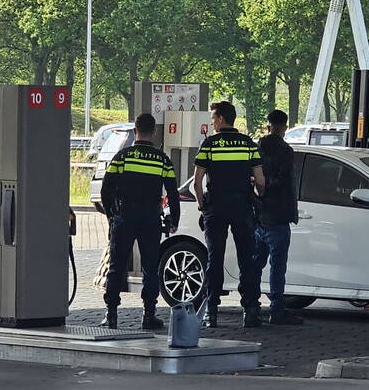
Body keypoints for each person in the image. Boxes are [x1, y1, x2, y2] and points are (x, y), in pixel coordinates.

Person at [100, 113, 180, 330]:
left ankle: (111, 314)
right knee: (150, 267)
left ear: (135, 131)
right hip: (150, 219)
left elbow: (106, 189)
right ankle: (148, 315)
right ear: (154, 132)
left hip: (124, 216)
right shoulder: (162, 160)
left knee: (116, 265)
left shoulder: (122, 157)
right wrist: (174, 219)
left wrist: (111, 214)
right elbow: (173, 193)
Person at [193, 101, 265, 328]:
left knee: (215, 258)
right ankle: (250, 310)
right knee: (247, 258)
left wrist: (202, 205)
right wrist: (257, 196)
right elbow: (260, 180)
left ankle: (211, 311)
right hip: (242, 206)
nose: (212, 123)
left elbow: (197, 181)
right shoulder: (248, 144)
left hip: (216, 207)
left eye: (213, 118)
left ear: (222, 118)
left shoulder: (209, 144)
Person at [253, 110, 304, 326]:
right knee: (278, 265)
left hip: (259, 215)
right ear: (284, 127)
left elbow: (253, 177)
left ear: (268, 126)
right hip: (279, 215)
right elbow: (285, 181)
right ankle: (276, 309)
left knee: (255, 264)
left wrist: (260, 191)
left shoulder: (257, 148)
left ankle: (251, 306)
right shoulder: (286, 151)